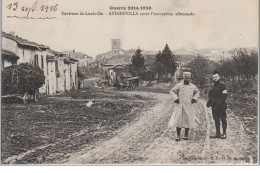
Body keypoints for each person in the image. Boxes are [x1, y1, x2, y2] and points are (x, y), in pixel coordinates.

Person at [168, 72, 200, 141]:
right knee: (178, 120)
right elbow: (172, 91)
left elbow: (197, 92)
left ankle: (186, 135)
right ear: (183, 78)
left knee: (188, 120)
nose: (186, 79)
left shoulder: (193, 86)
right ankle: (178, 135)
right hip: (180, 105)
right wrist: (175, 98)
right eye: (185, 77)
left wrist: (194, 98)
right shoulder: (179, 85)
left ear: (190, 78)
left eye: (188, 78)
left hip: (189, 105)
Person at [206, 70, 228, 139]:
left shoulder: (223, 85)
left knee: (223, 119)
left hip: (221, 106)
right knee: (216, 120)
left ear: (219, 77)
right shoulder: (212, 86)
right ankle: (218, 133)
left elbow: (225, 95)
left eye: (216, 77)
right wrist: (209, 103)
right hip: (214, 106)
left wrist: (219, 102)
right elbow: (211, 95)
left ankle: (224, 133)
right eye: (214, 77)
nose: (215, 78)